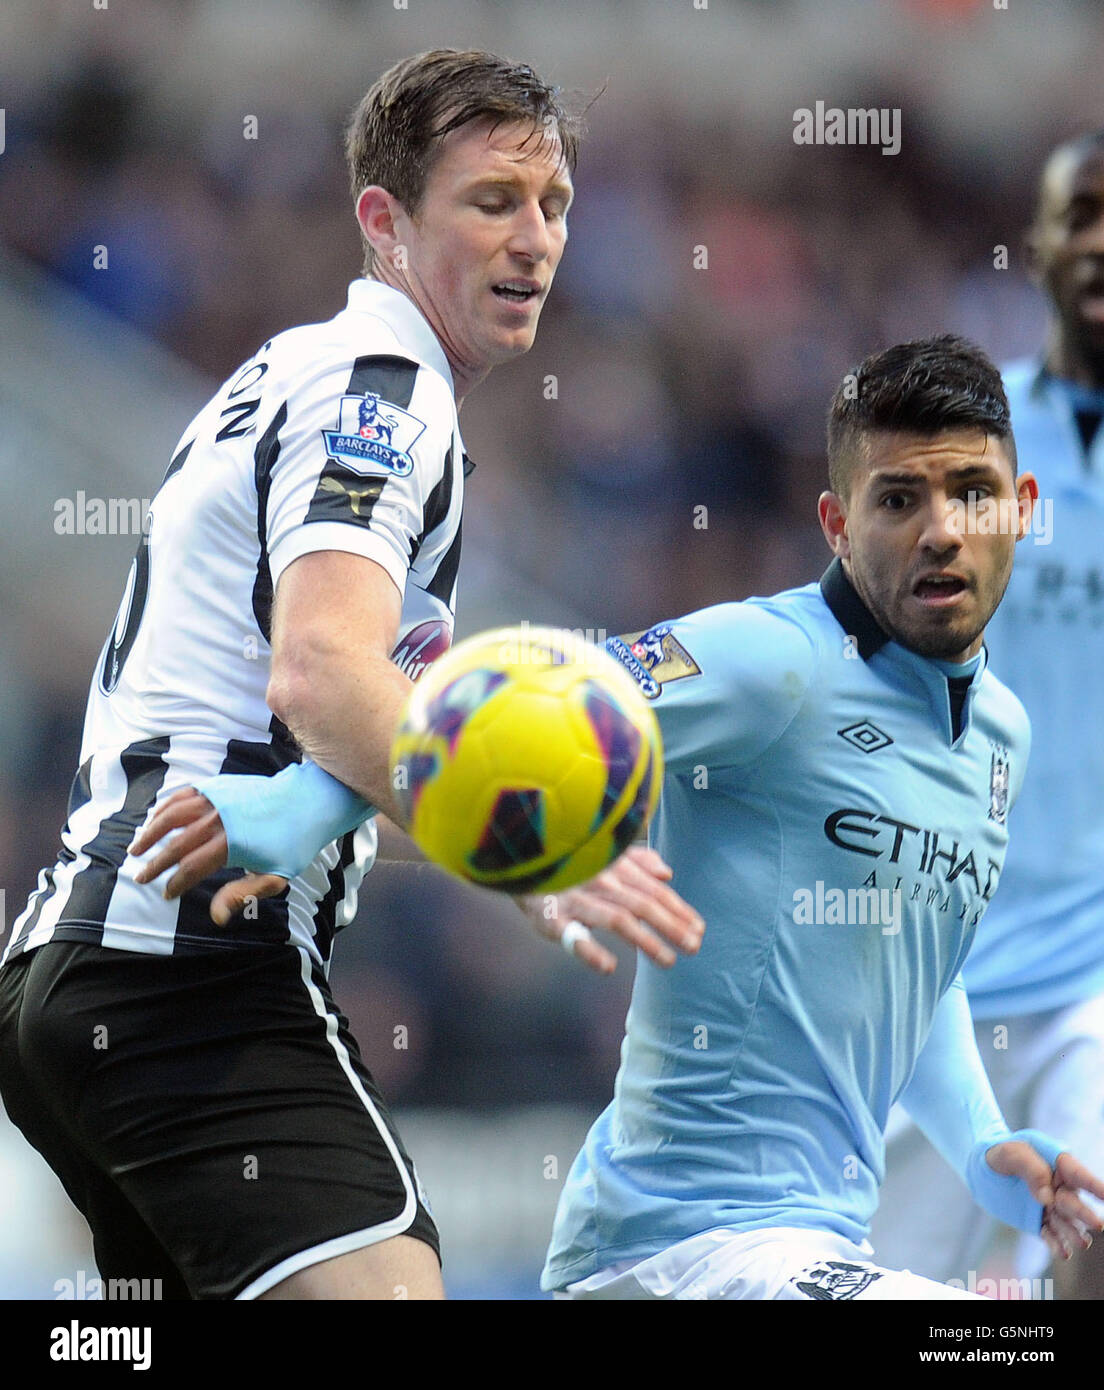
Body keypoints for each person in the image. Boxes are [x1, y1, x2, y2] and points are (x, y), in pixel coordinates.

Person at [0, 49, 700, 1303]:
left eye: (555, 204)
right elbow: (321, 680)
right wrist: (537, 848)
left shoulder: (297, 377)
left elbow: (352, 754)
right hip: (195, 972)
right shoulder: (384, 393)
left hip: (84, 965)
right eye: (493, 202)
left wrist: (526, 868)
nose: (535, 237)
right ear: (385, 222)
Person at [537, 335, 1104, 1300]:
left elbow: (916, 970)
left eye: (971, 493)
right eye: (898, 500)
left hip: (817, 1248)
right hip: (670, 1253)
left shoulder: (1000, 731)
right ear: (838, 524)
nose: (941, 531)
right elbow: (513, 709)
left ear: (1023, 510)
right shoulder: (771, 661)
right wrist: (303, 799)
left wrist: (980, 1146)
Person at [871, 131, 1104, 1300]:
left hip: (1093, 973)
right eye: (1082, 215)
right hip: (937, 958)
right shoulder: (972, 448)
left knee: (1092, 1239)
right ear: (1044, 243)